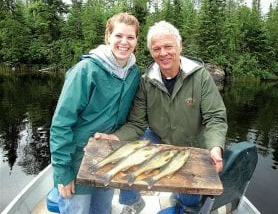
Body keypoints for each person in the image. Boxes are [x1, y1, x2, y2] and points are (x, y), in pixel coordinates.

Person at [94, 20, 228, 214]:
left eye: (168, 46)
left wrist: (215, 147)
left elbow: (215, 118)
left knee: (189, 201)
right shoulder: (146, 82)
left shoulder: (200, 77)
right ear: (151, 52)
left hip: (192, 144)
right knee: (130, 148)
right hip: (159, 138)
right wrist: (113, 138)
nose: (163, 53)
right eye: (157, 49)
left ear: (179, 46)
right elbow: (137, 124)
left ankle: (182, 200)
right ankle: (132, 201)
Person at [49, 12, 140, 214]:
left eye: (130, 37)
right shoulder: (85, 70)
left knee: (102, 210)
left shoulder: (134, 74)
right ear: (108, 37)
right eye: (118, 36)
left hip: (106, 161)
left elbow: (134, 118)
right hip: (77, 162)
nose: (124, 42)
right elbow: (61, 124)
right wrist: (63, 171)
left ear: (136, 41)